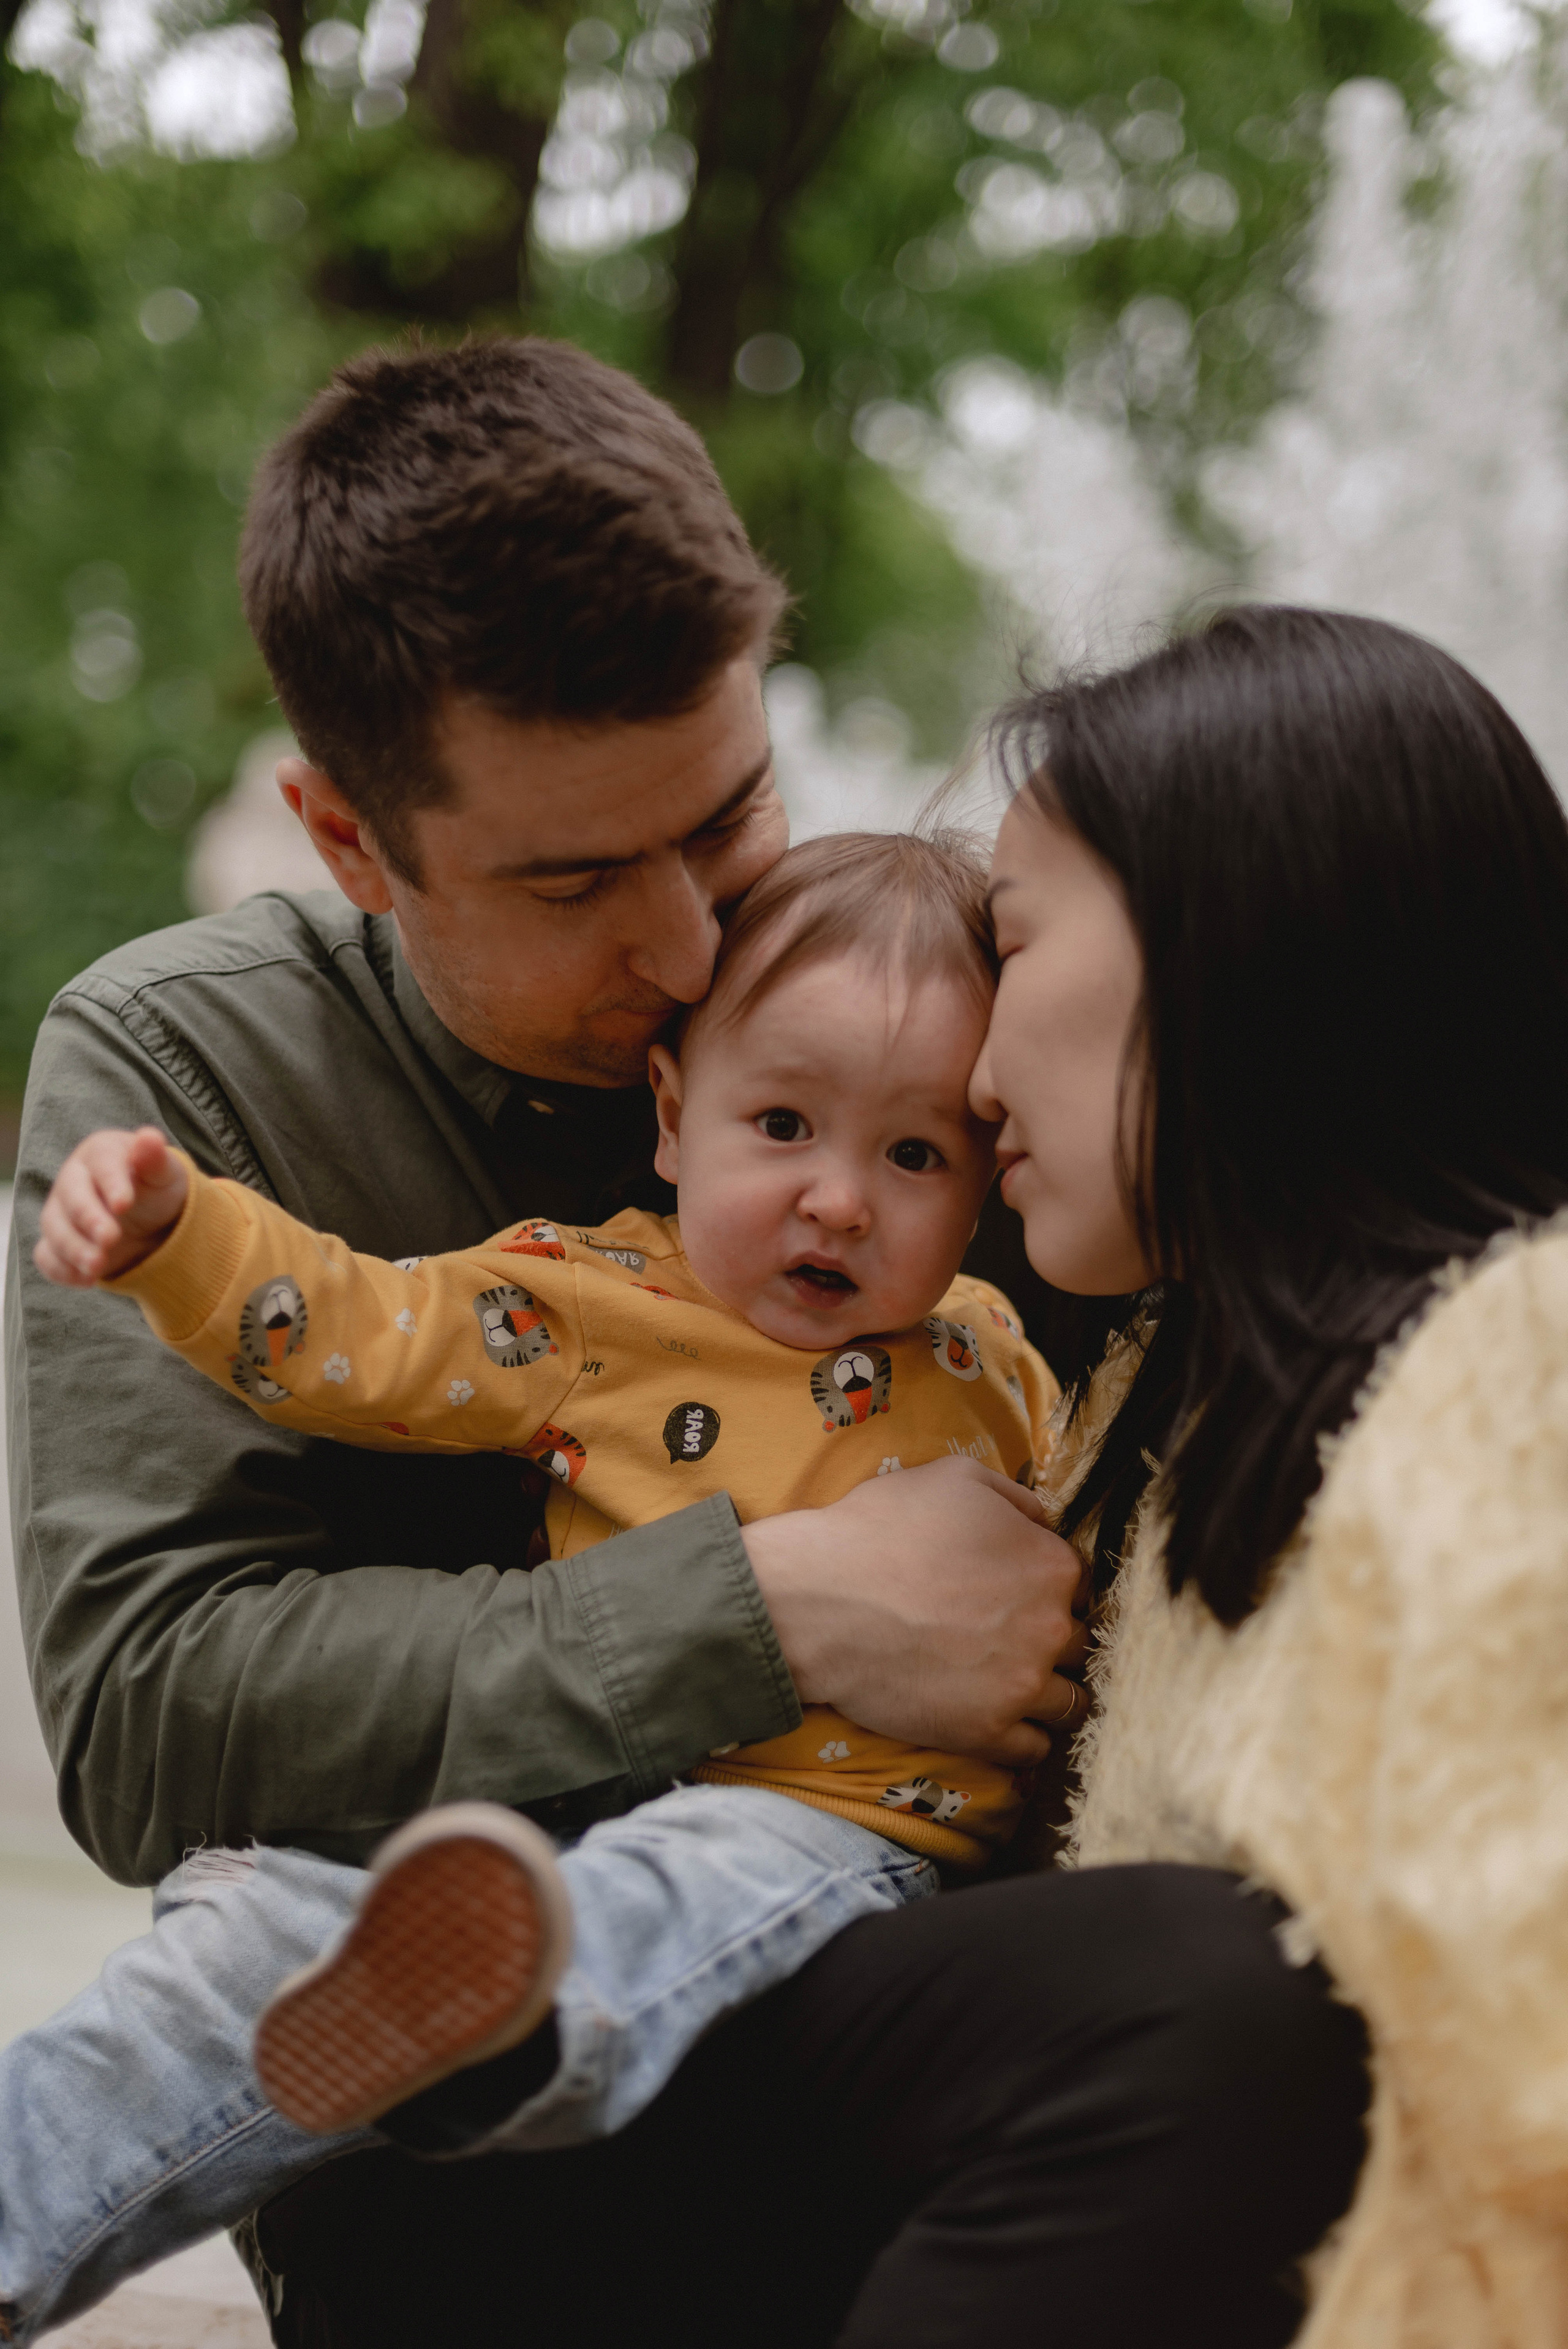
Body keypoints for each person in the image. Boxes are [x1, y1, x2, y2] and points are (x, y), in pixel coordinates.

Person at [98, 602, 1563, 2349]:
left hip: (894, 2093)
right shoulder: (1111, 1351)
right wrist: (763, 1605)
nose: (965, 1051)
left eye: (1006, 952)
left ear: (1233, 947)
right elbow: (336, 1371)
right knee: (1188, 1989)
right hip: (568, 2113)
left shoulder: (1336, 1362)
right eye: (578, 877)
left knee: (1206, 1995)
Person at [4, 336, 1086, 2339]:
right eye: (578, 878)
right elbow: (153, 1716)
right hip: (424, 2135)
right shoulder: (179, 1069)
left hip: (876, 1973)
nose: (687, 950)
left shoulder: (910, 997)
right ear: (350, 842)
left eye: (730, 815)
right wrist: (771, 1604)